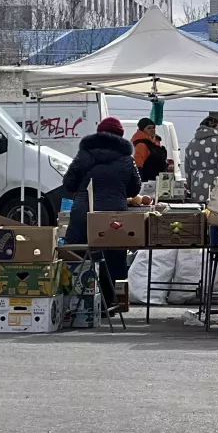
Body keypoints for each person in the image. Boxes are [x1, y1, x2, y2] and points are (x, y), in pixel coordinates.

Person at [62, 117, 142, 311]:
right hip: (114, 215)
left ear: (99, 132)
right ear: (120, 136)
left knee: (77, 254)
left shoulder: (84, 154)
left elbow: (68, 183)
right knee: (115, 257)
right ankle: (115, 302)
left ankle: (73, 302)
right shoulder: (126, 159)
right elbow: (135, 188)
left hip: (84, 213)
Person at [131, 118, 169, 183]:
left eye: (153, 128)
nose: (152, 130)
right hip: (147, 183)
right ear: (142, 130)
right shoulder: (141, 145)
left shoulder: (155, 143)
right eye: (149, 128)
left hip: (159, 182)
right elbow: (137, 167)